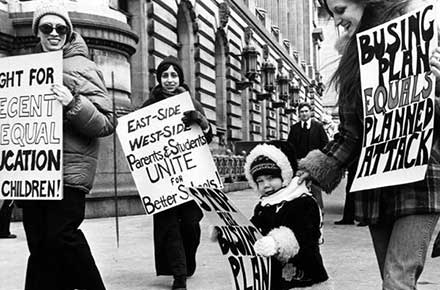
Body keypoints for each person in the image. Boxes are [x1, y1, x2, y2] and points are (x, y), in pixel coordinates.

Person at [298, 0, 440, 289]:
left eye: (340, 10)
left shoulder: (421, 43)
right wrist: (314, 169)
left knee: (397, 280)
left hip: (419, 181)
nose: (338, 21)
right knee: (391, 279)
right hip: (378, 185)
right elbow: (351, 134)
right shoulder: (354, 62)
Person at [19, 2, 116, 290]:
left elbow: (106, 123)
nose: (54, 33)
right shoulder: (26, 70)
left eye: (61, 28)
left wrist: (73, 103)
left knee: (63, 236)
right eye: (47, 27)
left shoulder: (84, 67)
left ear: (68, 32)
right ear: (38, 31)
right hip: (34, 172)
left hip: (69, 172)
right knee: (39, 245)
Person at [141, 55, 213, 290]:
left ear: (180, 78)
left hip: (189, 176)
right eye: (165, 75)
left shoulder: (191, 102)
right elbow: (139, 140)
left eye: (174, 75)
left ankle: (187, 262)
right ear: (159, 78)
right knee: (169, 226)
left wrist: (201, 121)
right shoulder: (149, 105)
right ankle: (179, 275)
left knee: (191, 223)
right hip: (162, 178)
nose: (169, 80)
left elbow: (208, 136)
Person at [243, 141, 331, 290]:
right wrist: (230, 230)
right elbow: (253, 227)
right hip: (273, 275)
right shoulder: (264, 205)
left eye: (271, 178)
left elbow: (306, 234)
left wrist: (278, 242)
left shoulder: (303, 201)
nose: (266, 185)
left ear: (285, 174)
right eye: (259, 181)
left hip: (303, 274)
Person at [287, 102, 329, 209]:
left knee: (315, 189)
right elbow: (289, 147)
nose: (304, 114)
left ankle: (320, 211)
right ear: (298, 114)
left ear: (310, 112)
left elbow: (325, 145)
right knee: (298, 189)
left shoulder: (318, 127)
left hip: (314, 164)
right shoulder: (294, 128)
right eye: (301, 112)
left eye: (306, 111)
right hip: (299, 164)